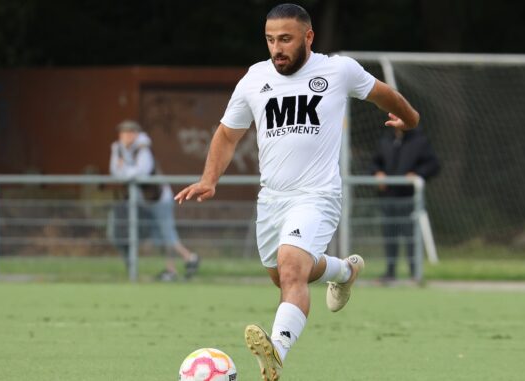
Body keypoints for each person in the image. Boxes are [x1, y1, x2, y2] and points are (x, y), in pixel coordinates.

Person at [174, 4, 420, 380]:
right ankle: (344, 271)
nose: (277, 48)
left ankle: (275, 353)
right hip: (272, 199)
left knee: (291, 268)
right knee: (284, 275)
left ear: (308, 37)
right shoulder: (255, 78)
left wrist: (411, 118)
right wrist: (210, 180)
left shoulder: (338, 70)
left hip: (317, 195)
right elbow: (227, 134)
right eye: (271, 40)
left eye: (286, 39)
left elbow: (384, 94)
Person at [109, 120, 200, 281]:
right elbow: (115, 172)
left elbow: (141, 172)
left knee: (167, 233)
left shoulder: (143, 149)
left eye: (129, 132)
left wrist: (125, 169)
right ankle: (173, 268)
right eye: (123, 132)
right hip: (143, 201)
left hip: (159, 198)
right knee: (159, 235)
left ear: (136, 134)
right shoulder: (118, 149)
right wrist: (126, 170)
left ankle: (189, 258)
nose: (125, 136)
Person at [371, 127, 439, 283]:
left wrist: (417, 174)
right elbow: (375, 162)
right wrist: (377, 173)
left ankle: (415, 273)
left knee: (411, 236)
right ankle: (390, 272)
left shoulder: (420, 141)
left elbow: (433, 164)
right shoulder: (385, 140)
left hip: (409, 198)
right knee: (389, 235)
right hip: (388, 198)